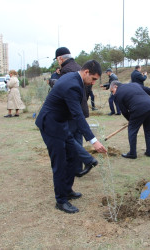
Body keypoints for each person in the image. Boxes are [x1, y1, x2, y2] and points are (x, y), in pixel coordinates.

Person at [35, 60, 107, 214]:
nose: (94, 83)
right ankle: (61, 201)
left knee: (70, 156)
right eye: (93, 79)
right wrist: (93, 140)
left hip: (61, 123)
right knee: (60, 162)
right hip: (50, 124)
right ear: (86, 72)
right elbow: (77, 114)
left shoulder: (76, 79)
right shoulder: (72, 84)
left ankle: (68, 190)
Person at [50, 47, 93, 176]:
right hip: (80, 108)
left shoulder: (66, 70)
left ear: (60, 58)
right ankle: (77, 167)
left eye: (57, 60)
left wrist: (53, 83)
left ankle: (85, 160)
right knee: (77, 138)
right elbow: (87, 88)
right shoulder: (79, 67)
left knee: (68, 138)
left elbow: (63, 90)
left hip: (71, 111)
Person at [110, 81, 150, 159]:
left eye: (112, 91)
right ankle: (149, 152)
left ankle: (132, 153)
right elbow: (149, 90)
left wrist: (130, 121)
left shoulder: (118, 94)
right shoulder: (134, 84)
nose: (113, 94)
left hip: (138, 108)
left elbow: (124, 111)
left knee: (132, 130)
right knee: (148, 130)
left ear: (116, 87)